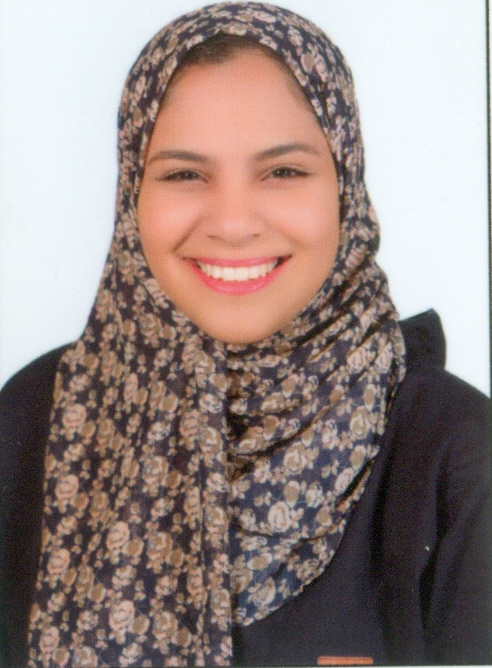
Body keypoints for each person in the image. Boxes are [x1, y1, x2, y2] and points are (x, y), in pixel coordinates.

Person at [0, 2, 489, 666]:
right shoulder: (38, 413)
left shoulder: (455, 455)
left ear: (345, 187)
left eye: (283, 172)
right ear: (131, 195)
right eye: (183, 174)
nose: (232, 224)